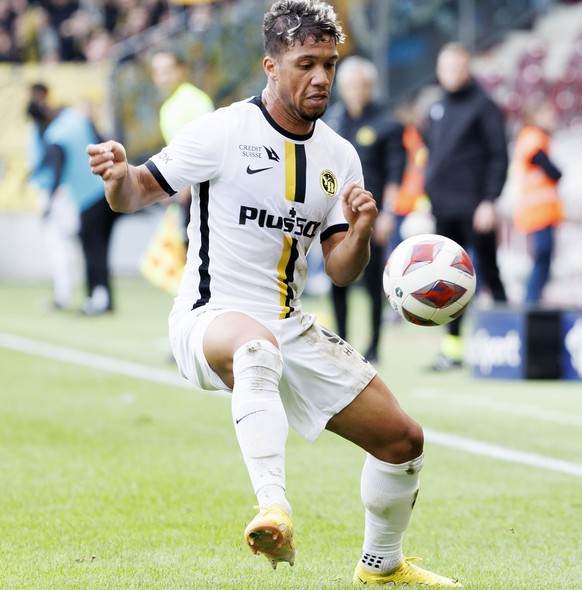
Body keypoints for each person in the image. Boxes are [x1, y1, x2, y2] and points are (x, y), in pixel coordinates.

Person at [87, 1, 461, 586]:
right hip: (210, 317)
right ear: (271, 66)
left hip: (290, 324)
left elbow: (341, 270)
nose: (321, 78)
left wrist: (359, 233)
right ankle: (273, 508)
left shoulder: (339, 156)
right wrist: (116, 177)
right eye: (305, 63)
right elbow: (135, 191)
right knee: (256, 348)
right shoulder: (222, 130)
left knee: (402, 440)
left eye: (330, 64)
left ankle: (382, 566)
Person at [423, 42, 508, 371]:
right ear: (439, 71)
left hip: (476, 208)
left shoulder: (484, 106)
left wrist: (489, 200)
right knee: (445, 281)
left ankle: (506, 341)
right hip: (443, 209)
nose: (452, 73)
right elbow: (433, 156)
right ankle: (452, 350)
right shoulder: (436, 107)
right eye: (446, 68)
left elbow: (498, 155)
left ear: (468, 68)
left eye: (458, 67)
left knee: (488, 270)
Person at [325, 55, 406, 363]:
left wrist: (388, 213)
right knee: (338, 278)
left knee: (373, 282)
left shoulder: (388, 123)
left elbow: (395, 173)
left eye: (360, 84)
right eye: (349, 85)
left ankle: (374, 346)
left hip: (371, 215)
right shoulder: (332, 120)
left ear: (370, 86)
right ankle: (341, 342)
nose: (355, 90)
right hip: (334, 214)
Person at [27, 82, 121, 315]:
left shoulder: (54, 135)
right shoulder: (76, 117)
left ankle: (96, 298)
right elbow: (102, 139)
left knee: (92, 248)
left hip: (87, 197)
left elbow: (57, 171)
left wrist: (49, 202)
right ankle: (104, 299)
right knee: (101, 248)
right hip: (107, 188)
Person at [512, 98, 563, 304]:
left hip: (542, 212)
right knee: (542, 258)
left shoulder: (536, 137)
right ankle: (531, 301)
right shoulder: (533, 137)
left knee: (544, 259)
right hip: (537, 212)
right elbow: (549, 168)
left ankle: (534, 299)